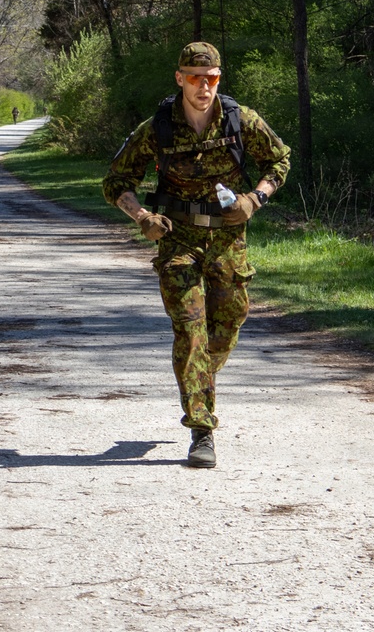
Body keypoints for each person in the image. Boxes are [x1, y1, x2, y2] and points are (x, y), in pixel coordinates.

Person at [103, 41, 290, 468]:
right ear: (179, 78)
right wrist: (141, 216)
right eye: (193, 78)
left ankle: (198, 378)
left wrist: (255, 199)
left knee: (227, 325)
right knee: (191, 332)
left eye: (210, 79)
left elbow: (279, 161)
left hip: (227, 240)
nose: (202, 87)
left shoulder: (241, 120)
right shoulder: (158, 128)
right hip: (178, 239)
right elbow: (116, 181)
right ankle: (202, 431)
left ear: (219, 79)